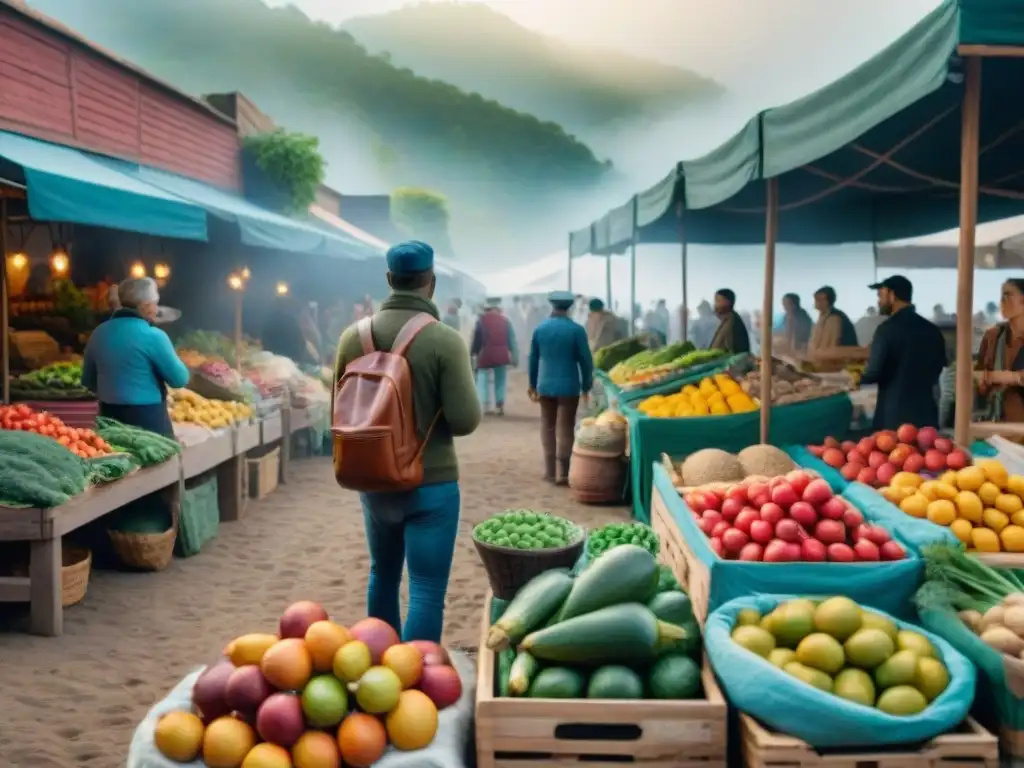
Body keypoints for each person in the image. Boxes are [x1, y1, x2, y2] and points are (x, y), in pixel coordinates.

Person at [332, 240, 481, 642]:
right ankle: (416, 683)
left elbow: (339, 408)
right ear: (430, 282)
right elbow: (465, 420)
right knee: (426, 591)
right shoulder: (444, 340)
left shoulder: (353, 338)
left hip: (373, 481)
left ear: (389, 279)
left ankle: (380, 668)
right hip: (430, 484)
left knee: (382, 574)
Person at [81, 277, 189, 436]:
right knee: (158, 461)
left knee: (116, 458)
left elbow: (88, 381)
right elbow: (179, 379)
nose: (156, 309)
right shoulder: (154, 336)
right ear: (145, 306)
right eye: (155, 303)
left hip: (109, 418)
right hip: (147, 420)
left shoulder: (99, 333)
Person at [861, 275, 947, 429]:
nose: (878, 301)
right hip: (926, 415)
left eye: (881, 295)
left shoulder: (886, 330)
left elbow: (873, 372)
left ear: (892, 296)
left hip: (894, 417)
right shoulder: (932, 330)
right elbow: (939, 367)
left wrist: (853, 378)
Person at [529, 290, 593, 484]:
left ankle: (549, 472)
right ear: (570, 307)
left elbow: (533, 358)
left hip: (545, 385)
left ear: (552, 306)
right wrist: (586, 386)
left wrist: (532, 384)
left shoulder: (540, 329)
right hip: (569, 385)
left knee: (547, 426)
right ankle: (564, 473)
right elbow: (586, 361)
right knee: (565, 427)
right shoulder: (576, 330)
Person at [976, 278, 1024, 423]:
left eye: (1007, 295)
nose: (1001, 302)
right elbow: (979, 376)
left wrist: (1009, 377)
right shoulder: (993, 336)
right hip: (996, 421)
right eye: (1001, 296)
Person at [471, 297, 518, 415]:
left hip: (485, 354)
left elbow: (477, 340)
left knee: (482, 379)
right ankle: (499, 404)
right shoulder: (506, 321)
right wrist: (515, 358)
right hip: (501, 355)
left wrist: (473, 353)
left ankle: (485, 405)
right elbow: (512, 341)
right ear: (498, 308)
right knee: (500, 379)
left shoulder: (481, 321)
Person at [263, 296, 319, 366]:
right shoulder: (291, 321)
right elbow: (300, 344)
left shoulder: (269, 321)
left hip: (273, 362)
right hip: (292, 362)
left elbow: (265, 343)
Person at [809, 286, 859, 355]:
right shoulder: (823, 316)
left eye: (820, 299)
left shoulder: (834, 318)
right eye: (816, 299)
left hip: (841, 360)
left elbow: (827, 347)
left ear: (828, 301)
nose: (816, 302)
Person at [708, 289, 750, 353]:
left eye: (718, 301)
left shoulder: (733, 323)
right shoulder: (727, 320)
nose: (715, 305)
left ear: (727, 302)